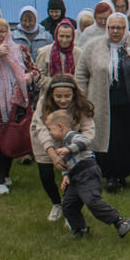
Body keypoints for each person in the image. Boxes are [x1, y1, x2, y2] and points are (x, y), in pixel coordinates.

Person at [74, 12, 130, 191]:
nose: (115, 31)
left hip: (129, 103)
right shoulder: (94, 47)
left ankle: (123, 174)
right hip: (102, 103)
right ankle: (110, 176)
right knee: (107, 140)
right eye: (111, 27)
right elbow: (81, 73)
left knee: (125, 140)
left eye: (119, 28)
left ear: (126, 29)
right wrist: (81, 99)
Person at [47, 109, 130, 238]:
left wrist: (68, 149)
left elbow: (85, 142)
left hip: (87, 173)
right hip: (75, 178)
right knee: (68, 205)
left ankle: (120, 221)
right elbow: (65, 163)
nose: (49, 133)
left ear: (60, 126)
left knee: (92, 201)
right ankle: (80, 229)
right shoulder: (62, 144)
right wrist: (65, 176)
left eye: (50, 129)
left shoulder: (73, 136)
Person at [0, 18, 39, 194]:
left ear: (8, 32)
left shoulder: (20, 50)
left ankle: (5, 175)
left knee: (10, 136)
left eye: (2, 31)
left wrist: (30, 77)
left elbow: (35, 70)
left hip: (15, 103)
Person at [31, 75, 96, 221]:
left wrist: (75, 147)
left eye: (67, 96)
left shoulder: (81, 105)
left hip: (71, 145)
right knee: (46, 176)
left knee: (71, 178)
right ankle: (56, 203)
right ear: (51, 95)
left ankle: (70, 209)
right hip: (44, 143)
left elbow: (88, 130)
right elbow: (41, 129)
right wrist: (52, 154)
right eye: (58, 96)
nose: (62, 100)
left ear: (73, 94)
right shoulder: (43, 104)